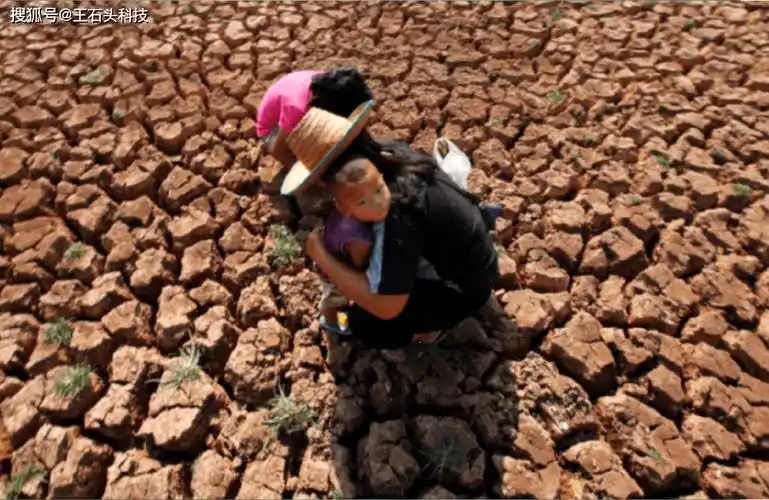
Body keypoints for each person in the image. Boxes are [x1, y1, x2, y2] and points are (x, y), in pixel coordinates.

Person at [301, 135, 501, 350]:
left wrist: (322, 257)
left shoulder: (394, 213)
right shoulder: (388, 151)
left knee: (368, 324)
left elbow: (387, 307)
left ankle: (425, 335)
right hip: (477, 259)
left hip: (464, 291)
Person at [256, 67, 373, 170]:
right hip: (273, 131)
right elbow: (279, 151)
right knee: (321, 162)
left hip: (293, 105)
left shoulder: (334, 83)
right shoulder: (297, 108)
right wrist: (315, 181)